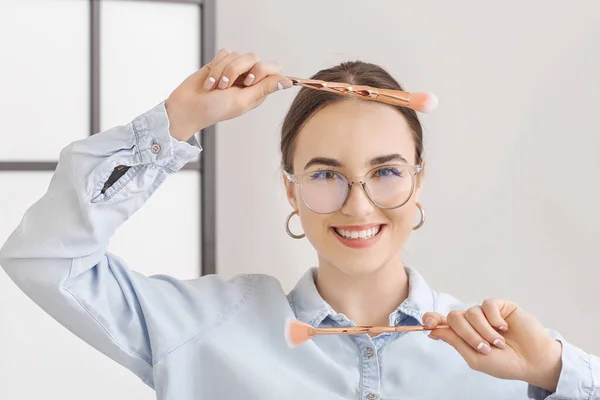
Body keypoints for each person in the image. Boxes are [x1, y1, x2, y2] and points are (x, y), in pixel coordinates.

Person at [0, 48, 598, 400]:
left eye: (386, 172)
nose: (358, 205)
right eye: (325, 174)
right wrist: (177, 120)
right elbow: (47, 258)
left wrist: (554, 372)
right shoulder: (202, 330)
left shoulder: (500, 361)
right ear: (289, 187)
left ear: (420, 179)